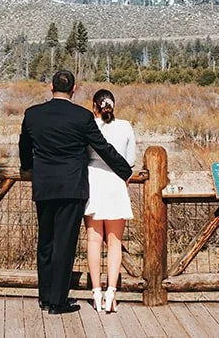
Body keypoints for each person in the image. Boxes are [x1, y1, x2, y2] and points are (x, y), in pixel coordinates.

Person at [19, 69, 133, 314]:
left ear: (51, 87)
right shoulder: (81, 116)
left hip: (44, 184)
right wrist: (125, 170)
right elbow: (102, 147)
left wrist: (27, 167)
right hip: (72, 186)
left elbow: (24, 147)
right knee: (65, 243)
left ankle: (45, 296)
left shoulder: (33, 114)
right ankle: (58, 301)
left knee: (46, 242)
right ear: (74, 89)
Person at [84, 88, 137, 313]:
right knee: (115, 241)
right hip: (116, 182)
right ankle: (111, 293)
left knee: (94, 240)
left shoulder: (88, 126)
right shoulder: (125, 126)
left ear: (94, 106)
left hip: (93, 181)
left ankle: (96, 291)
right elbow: (131, 160)